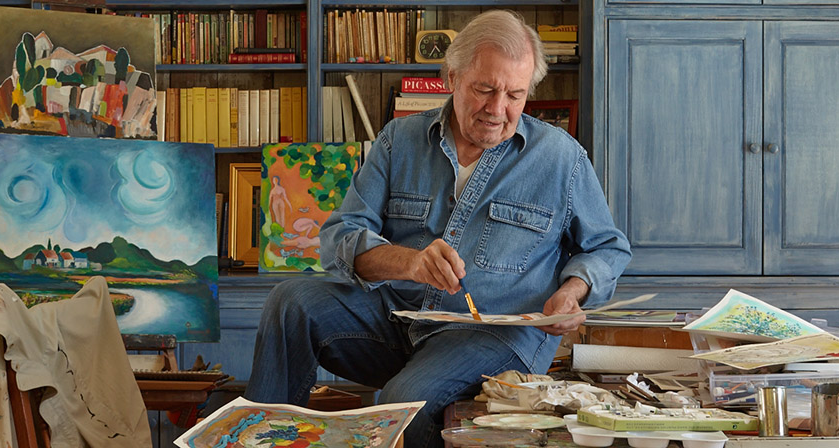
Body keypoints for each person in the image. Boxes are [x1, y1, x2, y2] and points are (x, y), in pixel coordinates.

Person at [245, 9, 631, 448]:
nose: (497, 109)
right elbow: (340, 237)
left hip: (495, 334)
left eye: (515, 95)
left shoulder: (562, 158)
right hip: (397, 320)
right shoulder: (399, 140)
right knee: (291, 300)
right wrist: (410, 263)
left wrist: (573, 290)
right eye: (484, 89)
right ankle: (258, 438)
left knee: (402, 402)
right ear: (451, 77)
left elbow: (607, 248)